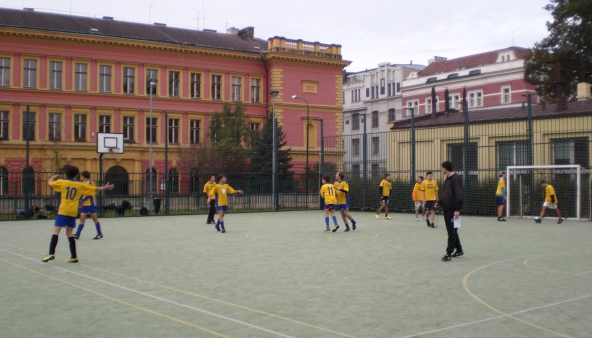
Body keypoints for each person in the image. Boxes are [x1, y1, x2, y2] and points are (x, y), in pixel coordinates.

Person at [43, 166, 114, 263]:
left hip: (63, 210)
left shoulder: (62, 182)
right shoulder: (80, 185)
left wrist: (52, 178)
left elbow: (50, 184)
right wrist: (104, 187)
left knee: (56, 231)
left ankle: (51, 253)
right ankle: (74, 256)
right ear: (76, 175)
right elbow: (93, 189)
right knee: (69, 233)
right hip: (72, 212)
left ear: (67, 174)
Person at [436, 161, 463, 262]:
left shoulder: (455, 179)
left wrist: (457, 209)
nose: (441, 170)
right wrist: (440, 202)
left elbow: (459, 195)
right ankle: (459, 249)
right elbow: (446, 195)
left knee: (452, 232)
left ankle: (449, 253)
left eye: (442, 168)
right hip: (446, 209)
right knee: (451, 231)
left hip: (453, 210)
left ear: (445, 168)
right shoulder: (447, 180)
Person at [73, 171, 104, 240]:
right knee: (82, 219)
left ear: (84, 176)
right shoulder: (85, 182)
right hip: (85, 204)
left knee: (95, 219)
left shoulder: (89, 182)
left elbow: (89, 193)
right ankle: (77, 234)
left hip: (90, 204)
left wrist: (81, 201)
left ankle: (99, 234)